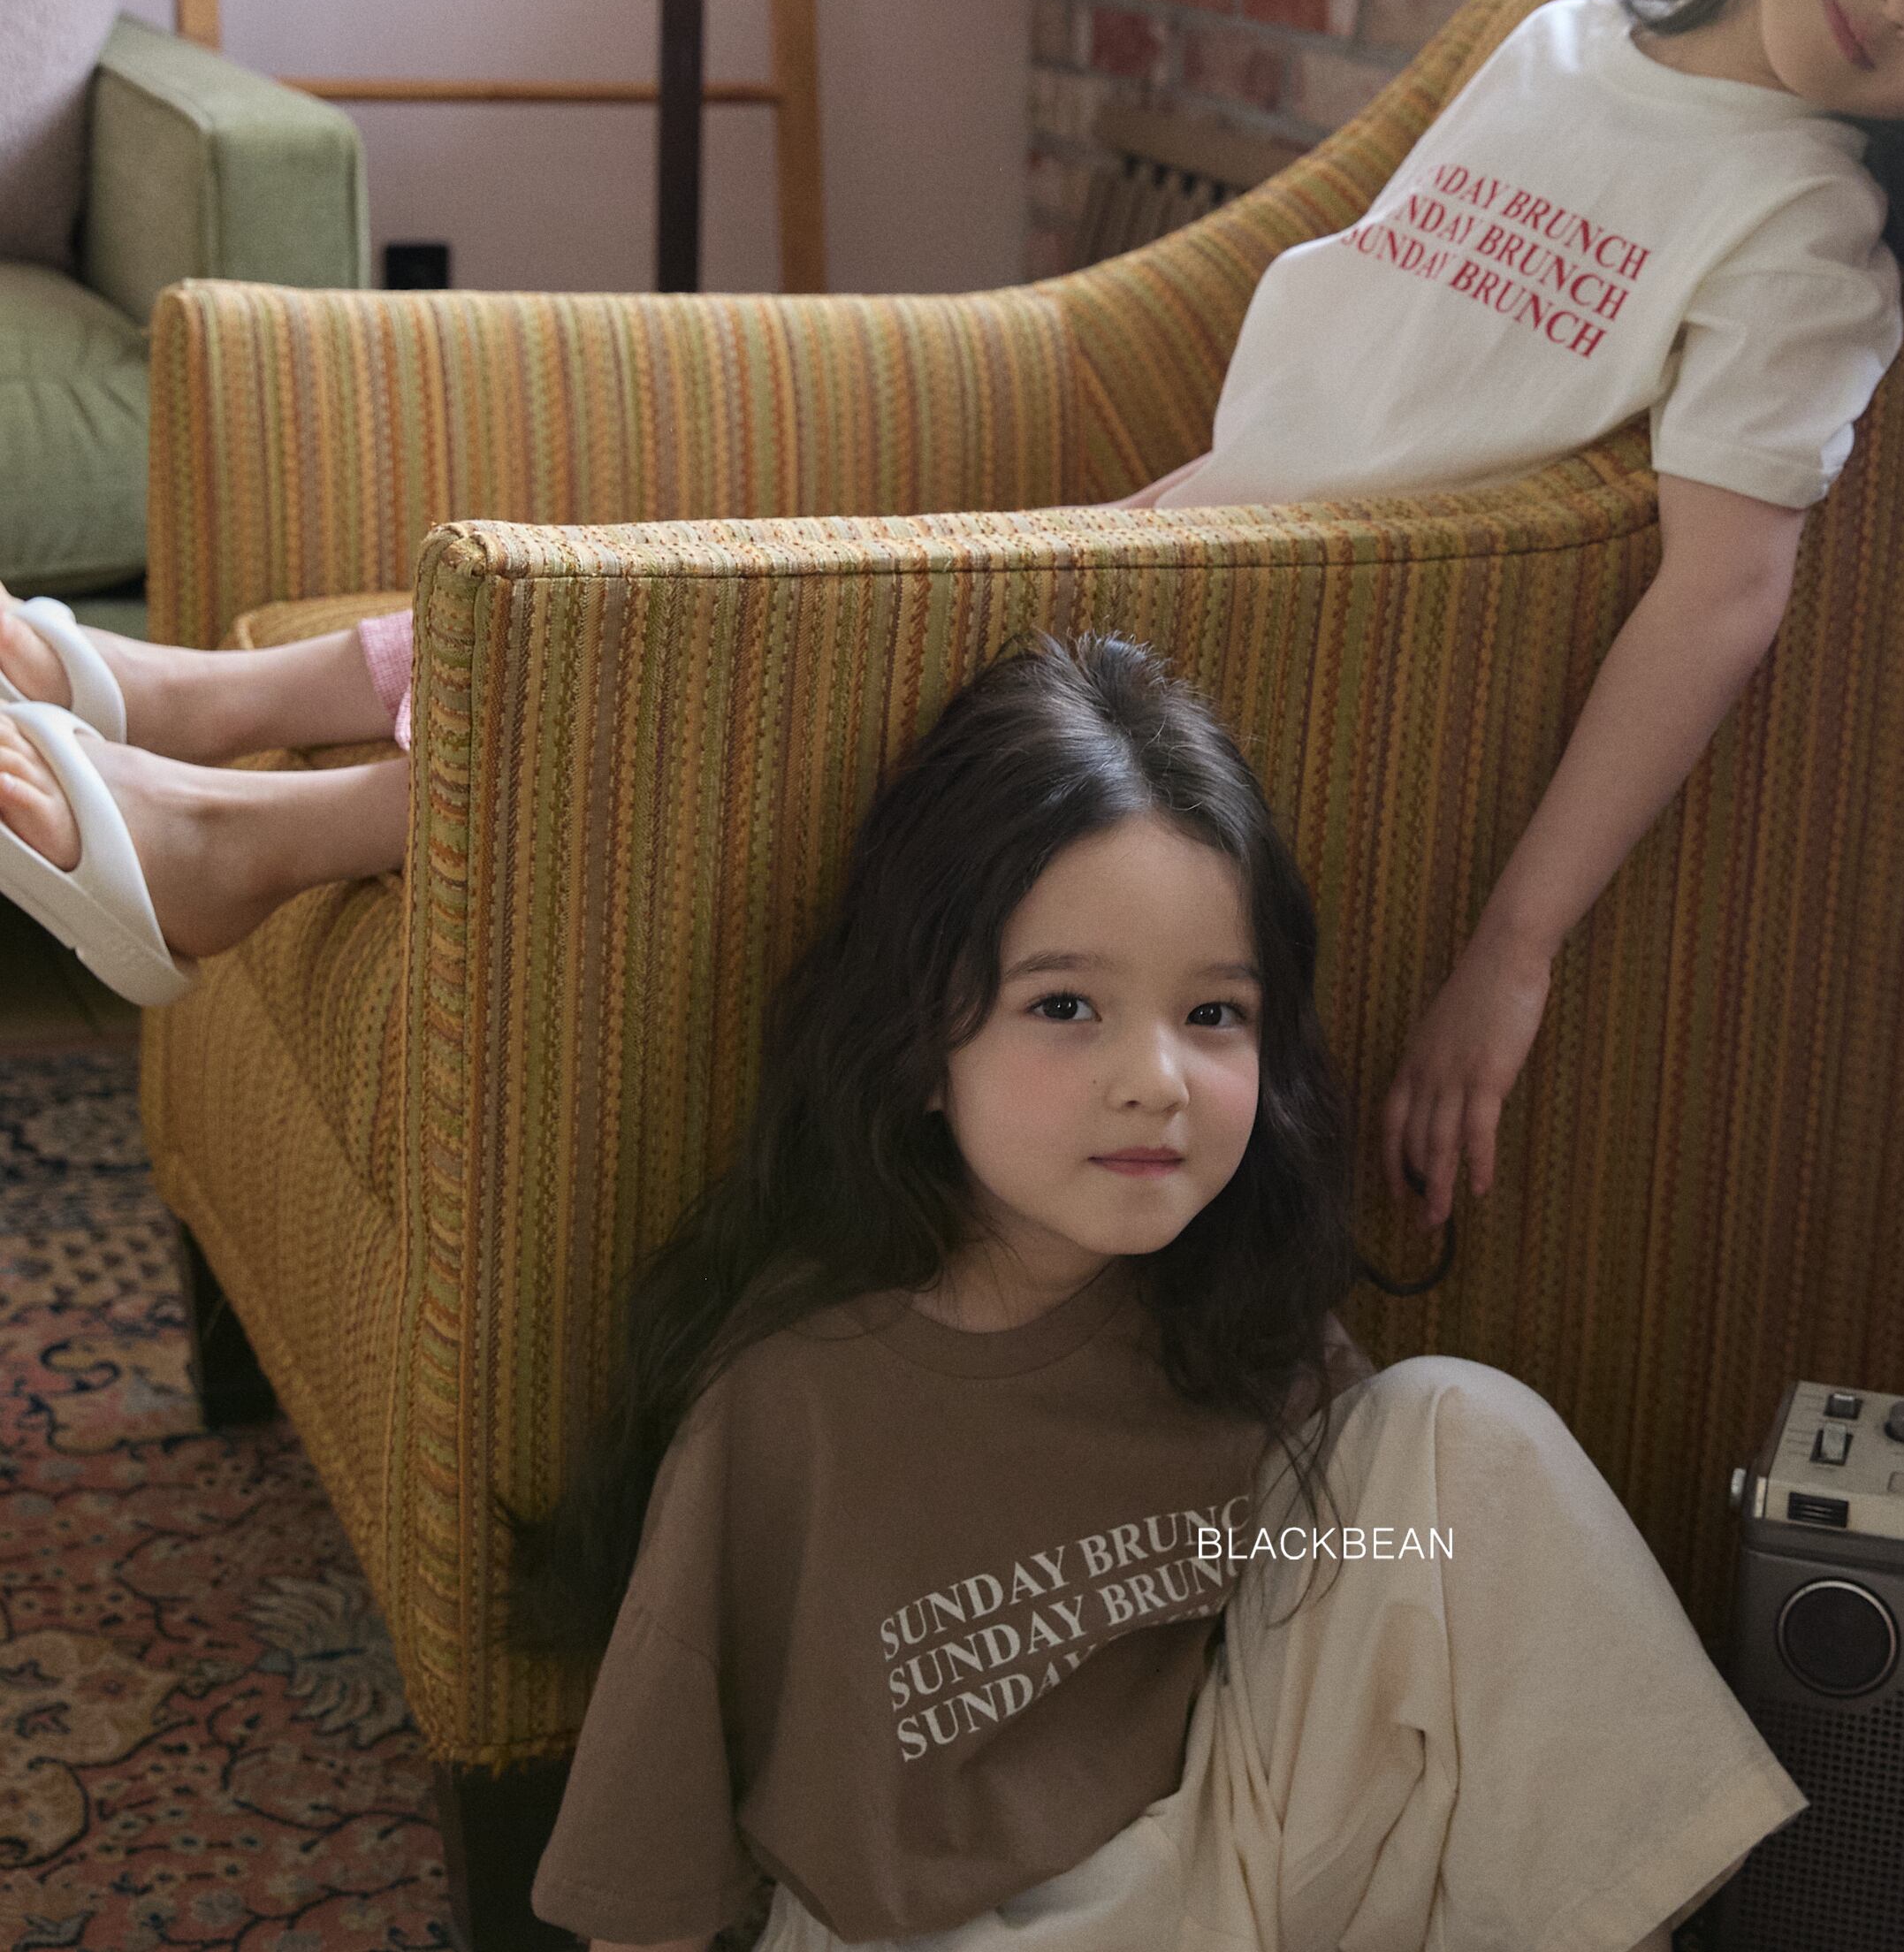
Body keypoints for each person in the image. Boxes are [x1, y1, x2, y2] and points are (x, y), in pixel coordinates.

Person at [0, 0, 1904, 1230]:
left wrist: (1514, 950)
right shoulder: (1572, 43)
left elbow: (1725, 590)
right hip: (1189, 540)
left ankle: (247, 847)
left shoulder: (1806, 234)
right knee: (723, 551)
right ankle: (229, 698)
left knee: (730, 654)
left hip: (1270, 657)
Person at [507, 632, 1801, 1950]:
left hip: (1223, 1862)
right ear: (919, 1044)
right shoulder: (792, 1395)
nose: (1157, 1081)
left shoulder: (1227, 1310)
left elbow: (1398, 1616)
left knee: (1459, 1433)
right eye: (1067, 1007)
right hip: (918, 1931)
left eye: (1214, 1015)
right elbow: (649, 1884)